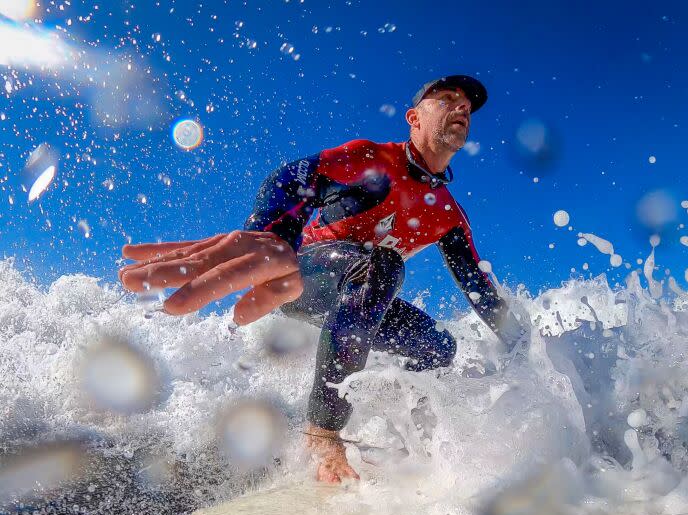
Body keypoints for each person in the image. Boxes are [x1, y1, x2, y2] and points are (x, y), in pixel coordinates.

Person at [119, 75, 526, 484]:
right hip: (301, 277)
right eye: (448, 100)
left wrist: (526, 353)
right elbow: (291, 176)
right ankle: (323, 433)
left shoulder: (449, 215)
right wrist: (273, 234)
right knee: (381, 266)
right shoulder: (372, 160)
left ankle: (412, 434)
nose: (461, 109)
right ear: (413, 118)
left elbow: (481, 291)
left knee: (439, 346)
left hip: (363, 296)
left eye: (467, 108)